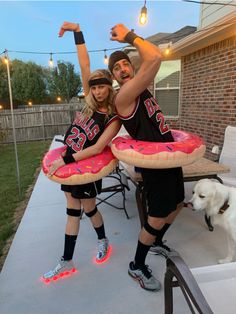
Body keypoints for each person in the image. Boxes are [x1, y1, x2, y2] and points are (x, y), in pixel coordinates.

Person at [42, 22, 121, 281]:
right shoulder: (88, 98)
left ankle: (104, 241)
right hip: (68, 163)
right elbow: (84, 63)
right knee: (72, 210)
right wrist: (77, 31)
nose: (97, 91)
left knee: (89, 209)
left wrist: (64, 159)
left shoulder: (111, 116)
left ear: (109, 87)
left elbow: (98, 147)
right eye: (94, 86)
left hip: (84, 167)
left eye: (102, 86)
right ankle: (66, 261)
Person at [108, 24, 184, 291]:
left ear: (131, 65)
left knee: (176, 204)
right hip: (154, 165)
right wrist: (129, 35)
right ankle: (137, 266)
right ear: (115, 78)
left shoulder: (142, 90)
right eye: (117, 69)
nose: (123, 70)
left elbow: (150, 58)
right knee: (155, 216)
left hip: (170, 158)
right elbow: (154, 57)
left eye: (125, 64)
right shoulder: (124, 96)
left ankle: (157, 243)